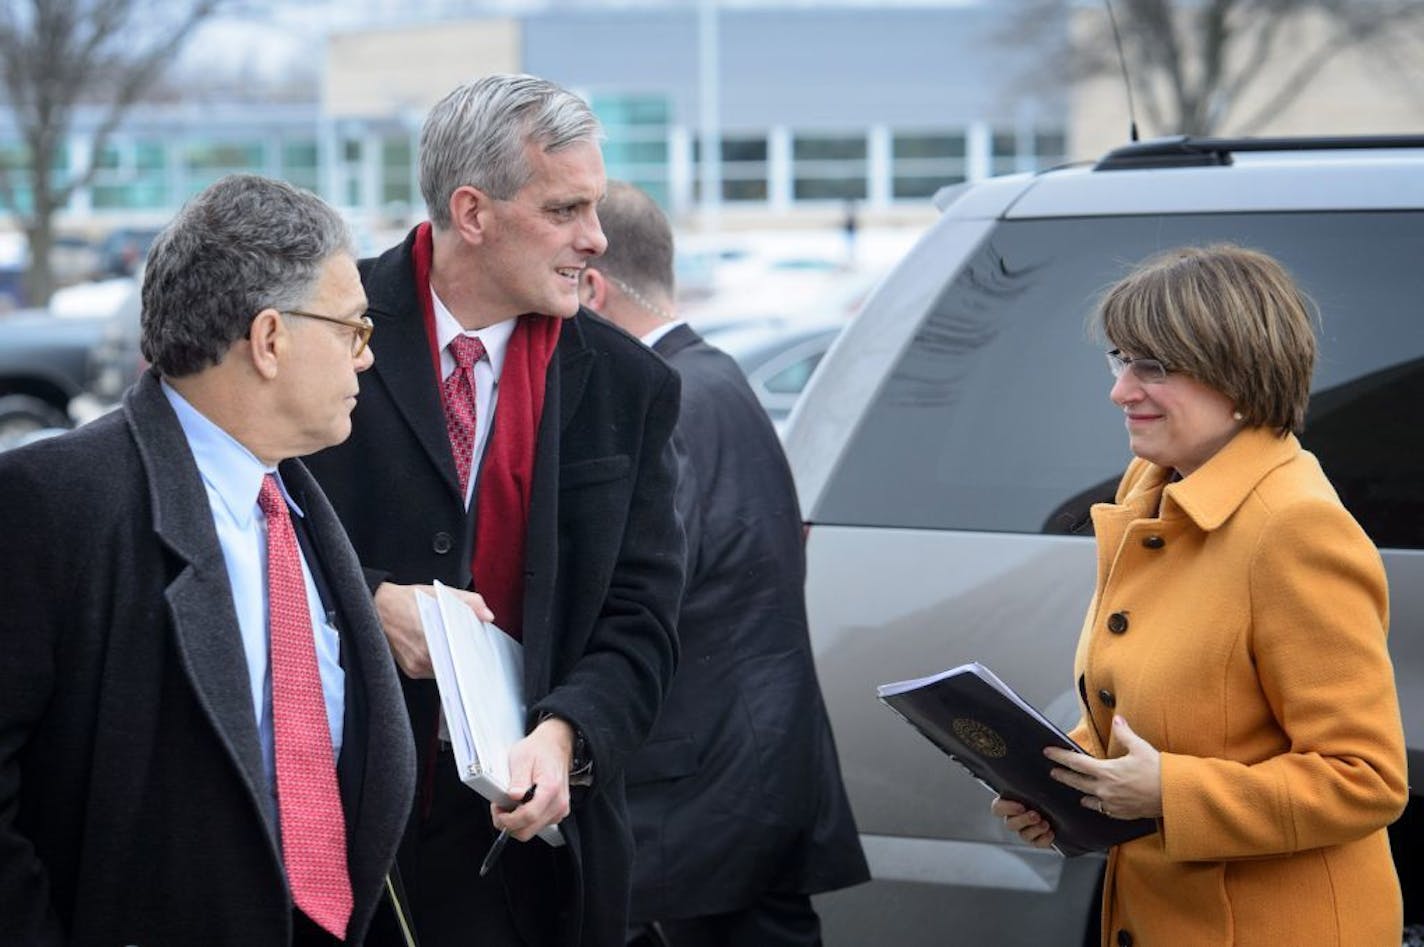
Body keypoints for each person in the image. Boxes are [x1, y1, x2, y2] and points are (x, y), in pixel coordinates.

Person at [303, 76, 684, 947]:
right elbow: (231, 531)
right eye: (565, 209)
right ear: (472, 212)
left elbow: (643, 619)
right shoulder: (316, 328)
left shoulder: (633, 388)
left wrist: (567, 736)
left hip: (525, 858)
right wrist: (367, 599)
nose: (596, 239)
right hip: (332, 826)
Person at [0, 174, 416, 945]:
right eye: (354, 329)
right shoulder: (51, 503)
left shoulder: (296, 501)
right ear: (269, 339)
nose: (366, 361)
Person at [992, 244, 1409, 945]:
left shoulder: (1294, 528)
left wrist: (1170, 792)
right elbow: (1145, 713)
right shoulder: (1154, 487)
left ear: (1239, 378)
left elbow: (1365, 778)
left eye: (1152, 367)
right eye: (1120, 359)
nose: (1121, 390)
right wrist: (1059, 784)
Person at [580, 182, 870, 947]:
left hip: (707, 780)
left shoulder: (666, 397)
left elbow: (646, 591)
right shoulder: (716, 375)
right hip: (750, 763)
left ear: (592, 286)